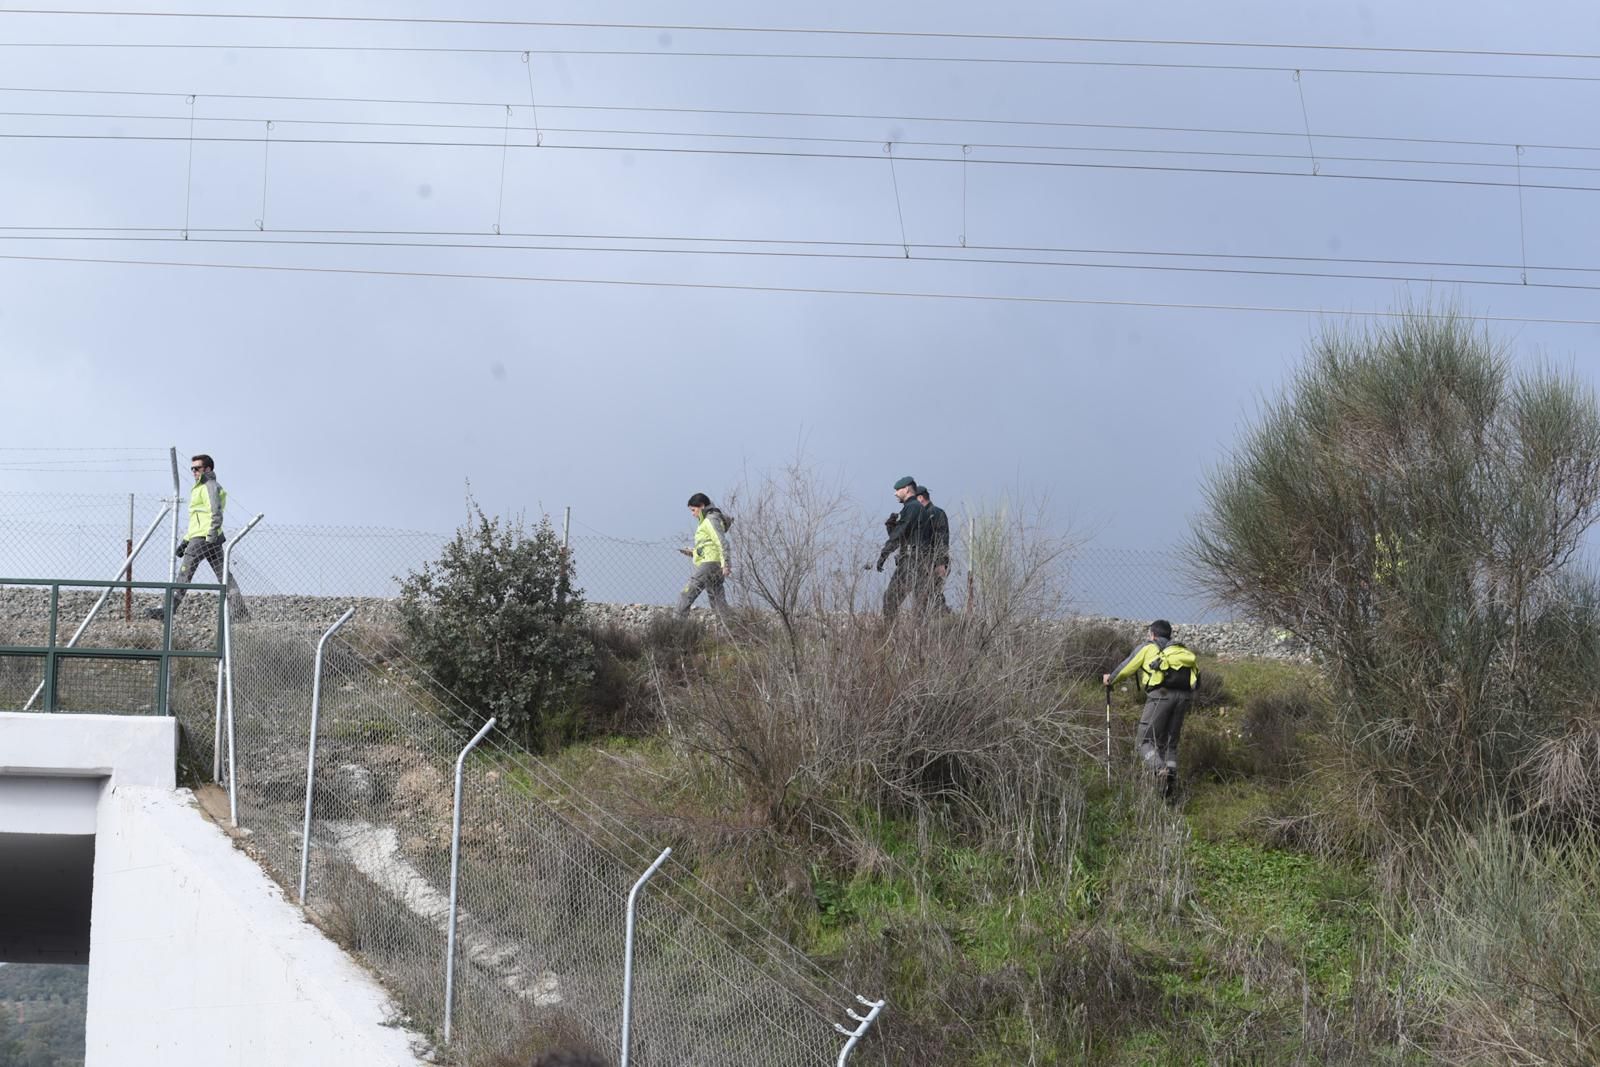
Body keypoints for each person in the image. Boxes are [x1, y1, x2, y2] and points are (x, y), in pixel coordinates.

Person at [1103, 620, 1198, 801]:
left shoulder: (1148, 647)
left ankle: (1159, 769)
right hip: (1184, 697)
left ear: (1152, 634)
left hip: (1160, 695)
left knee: (1143, 741)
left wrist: (1110, 680)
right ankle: (1169, 785)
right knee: (1169, 742)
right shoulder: (1181, 651)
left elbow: (1127, 667)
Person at [146, 453, 249, 622]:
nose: (194, 471)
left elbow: (215, 512)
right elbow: (196, 519)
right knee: (223, 574)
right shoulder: (200, 487)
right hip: (204, 537)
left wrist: (210, 535)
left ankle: (168, 610)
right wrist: (186, 540)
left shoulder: (209, 486)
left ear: (207, 469)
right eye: (192, 468)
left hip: (204, 537)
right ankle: (239, 613)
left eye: (197, 468)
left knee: (185, 572)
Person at [871, 475, 928, 622]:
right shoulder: (914, 508)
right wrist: (891, 527)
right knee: (917, 605)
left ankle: (890, 637)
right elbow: (903, 536)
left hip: (911, 562)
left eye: (898, 490)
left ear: (907, 489)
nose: (895, 493)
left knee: (890, 599)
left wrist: (883, 555)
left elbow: (898, 536)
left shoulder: (912, 508)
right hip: (915, 561)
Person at [676, 492, 732, 617]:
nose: (692, 514)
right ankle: (731, 628)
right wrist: (693, 552)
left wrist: (726, 564)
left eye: (693, 510)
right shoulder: (709, 520)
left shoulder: (710, 520)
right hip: (714, 562)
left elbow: (721, 541)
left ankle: (676, 626)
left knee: (686, 593)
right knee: (717, 600)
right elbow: (708, 546)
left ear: (701, 506)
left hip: (709, 564)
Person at [915, 485, 951, 613]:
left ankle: (946, 622)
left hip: (934, 563)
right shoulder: (920, 515)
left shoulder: (935, 513)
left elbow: (941, 538)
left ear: (920, 498)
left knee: (932, 596)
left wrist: (941, 563)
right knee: (924, 598)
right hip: (923, 564)